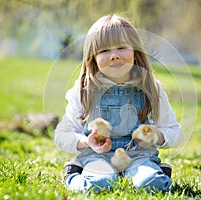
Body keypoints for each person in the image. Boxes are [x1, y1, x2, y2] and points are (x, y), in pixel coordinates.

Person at [54, 14, 183, 193]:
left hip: (139, 157)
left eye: (121, 47)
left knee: (151, 184)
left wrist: (157, 136)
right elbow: (62, 135)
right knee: (99, 184)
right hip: (97, 157)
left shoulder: (151, 88)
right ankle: (73, 175)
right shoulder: (83, 90)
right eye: (104, 50)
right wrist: (86, 142)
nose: (114, 56)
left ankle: (157, 173)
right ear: (93, 57)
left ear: (135, 51)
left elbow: (175, 132)